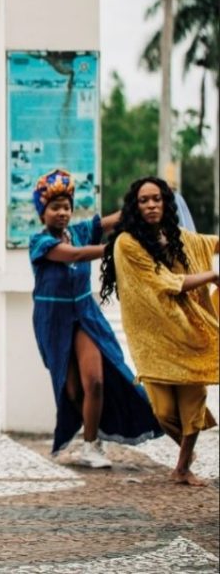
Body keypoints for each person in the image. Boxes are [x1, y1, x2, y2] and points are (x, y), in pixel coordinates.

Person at [28, 169, 161, 468]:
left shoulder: (80, 230)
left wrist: (141, 203)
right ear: (43, 212)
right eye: (54, 208)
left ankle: (91, 445)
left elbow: (114, 219)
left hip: (84, 316)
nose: (62, 213)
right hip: (54, 321)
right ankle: (91, 431)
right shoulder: (39, 243)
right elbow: (74, 255)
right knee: (73, 390)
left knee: (97, 382)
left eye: (66, 207)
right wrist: (117, 249)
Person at [100, 176, 219, 486]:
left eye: (157, 199)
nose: (151, 205)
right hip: (154, 339)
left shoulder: (180, 237)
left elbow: (210, 243)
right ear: (135, 206)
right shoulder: (127, 243)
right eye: (144, 200)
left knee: (193, 403)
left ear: (165, 203)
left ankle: (181, 467)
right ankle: (185, 454)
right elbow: (165, 282)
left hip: (190, 333)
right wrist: (211, 275)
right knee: (164, 410)